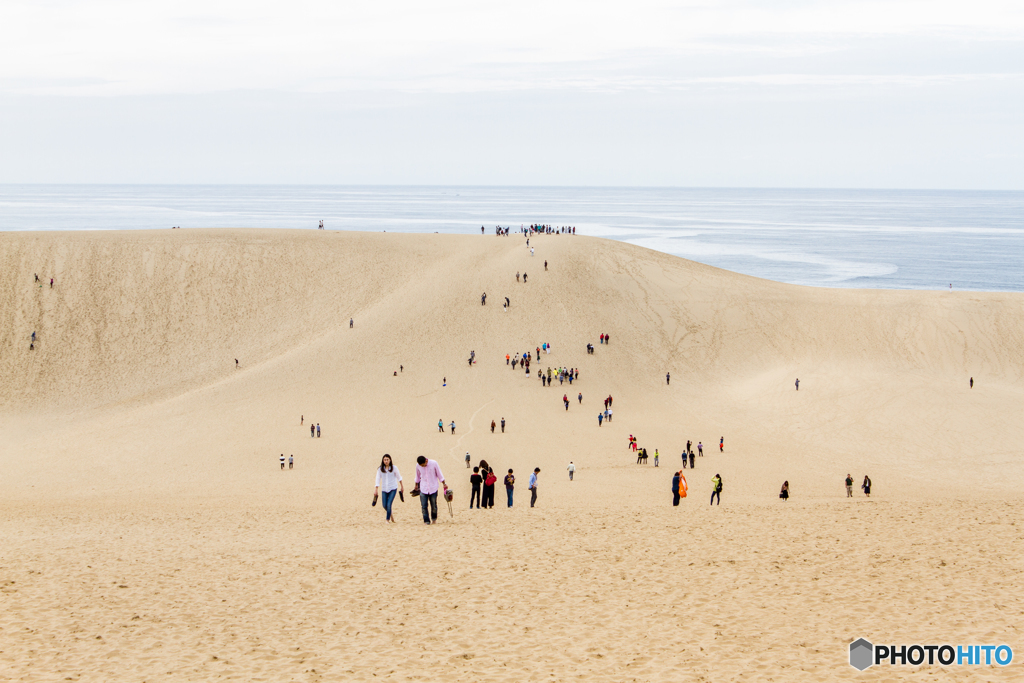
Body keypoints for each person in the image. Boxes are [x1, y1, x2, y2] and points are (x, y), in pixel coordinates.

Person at [414, 456, 446, 524]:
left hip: (433, 487)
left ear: (426, 461)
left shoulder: (434, 463)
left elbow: (439, 474)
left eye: (423, 465)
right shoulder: (418, 466)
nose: (422, 466)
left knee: (433, 505)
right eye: (421, 465)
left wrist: (444, 483)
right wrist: (416, 485)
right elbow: (417, 476)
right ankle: (426, 521)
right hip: (423, 488)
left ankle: (434, 519)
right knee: (424, 506)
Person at [375, 454, 404, 523]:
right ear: (383, 460)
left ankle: (387, 520)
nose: (386, 461)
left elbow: (399, 477)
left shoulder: (394, 468)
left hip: (393, 488)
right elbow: (377, 479)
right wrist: (376, 489)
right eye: (385, 460)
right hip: (384, 488)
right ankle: (390, 513)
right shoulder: (380, 469)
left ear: (390, 460)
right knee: (384, 505)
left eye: (387, 459)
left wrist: (402, 486)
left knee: (389, 504)